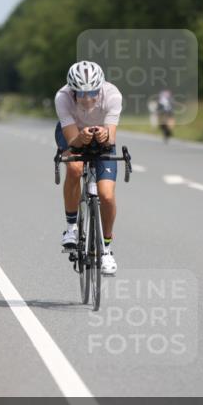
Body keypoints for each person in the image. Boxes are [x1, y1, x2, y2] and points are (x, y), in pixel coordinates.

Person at [55, 60, 122, 276]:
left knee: (107, 195)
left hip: (102, 138)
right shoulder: (62, 97)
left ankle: (107, 250)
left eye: (92, 92)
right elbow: (72, 140)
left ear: (100, 87)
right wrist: (79, 138)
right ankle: (71, 229)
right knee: (74, 168)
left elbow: (111, 137)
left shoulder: (112, 95)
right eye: (80, 93)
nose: (86, 98)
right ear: (72, 90)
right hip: (73, 134)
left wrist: (104, 135)